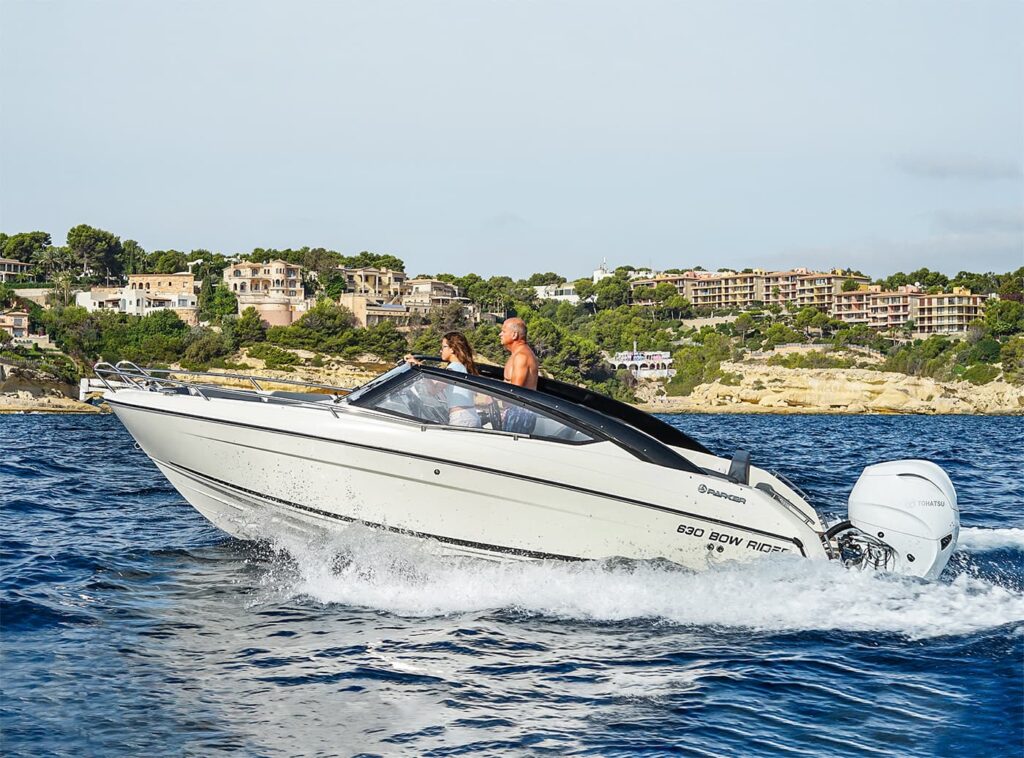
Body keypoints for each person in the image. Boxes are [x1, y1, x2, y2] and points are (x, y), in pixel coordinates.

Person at [405, 332, 482, 427]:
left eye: (444, 347)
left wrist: (420, 368)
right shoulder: (461, 367)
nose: (440, 351)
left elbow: (433, 390)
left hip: (461, 418)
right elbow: (436, 383)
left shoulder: (453, 368)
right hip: (470, 415)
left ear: (453, 349)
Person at [499, 317, 539, 433]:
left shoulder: (521, 357)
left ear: (514, 335)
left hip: (519, 414)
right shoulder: (517, 354)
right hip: (515, 412)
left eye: (504, 331)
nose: (500, 334)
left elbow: (515, 392)